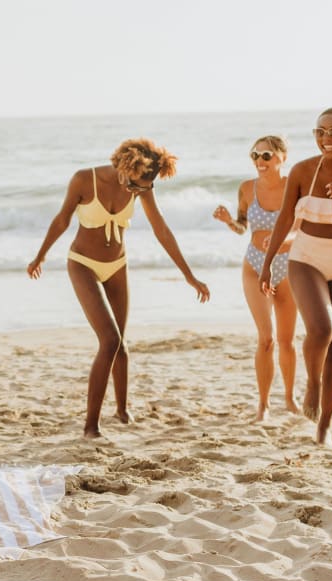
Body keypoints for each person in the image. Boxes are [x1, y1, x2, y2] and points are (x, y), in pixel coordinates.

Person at [27, 138, 210, 439]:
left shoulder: (144, 186)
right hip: (83, 263)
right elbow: (62, 220)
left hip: (117, 265)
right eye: (135, 184)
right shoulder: (85, 180)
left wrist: (189, 276)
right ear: (126, 166)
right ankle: (90, 427)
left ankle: (122, 410)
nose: (137, 192)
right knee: (109, 340)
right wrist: (40, 256)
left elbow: (161, 229)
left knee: (121, 344)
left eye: (144, 188)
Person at [259, 108, 332, 447]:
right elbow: (284, 218)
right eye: (320, 132)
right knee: (321, 329)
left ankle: (324, 426)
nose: (327, 138)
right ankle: (313, 381)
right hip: (306, 257)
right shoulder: (302, 170)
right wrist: (269, 263)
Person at [213, 135, 299, 421]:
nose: (259, 161)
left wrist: (283, 242)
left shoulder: (295, 187)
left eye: (266, 155)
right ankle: (263, 404)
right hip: (254, 264)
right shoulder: (246, 189)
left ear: (282, 157)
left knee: (287, 340)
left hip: (288, 266)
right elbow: (242, 228)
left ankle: (289, 398)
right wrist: (229, 222)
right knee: (266, 338)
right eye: (255, 155)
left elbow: (304, 228)